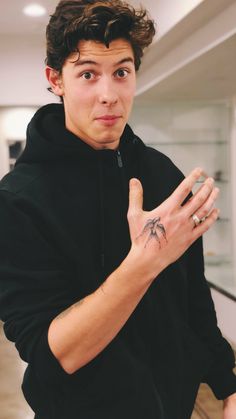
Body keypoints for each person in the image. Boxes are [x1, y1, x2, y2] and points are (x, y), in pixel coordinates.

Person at [0, 1, 236, 418]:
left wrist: (228, 381)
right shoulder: (18, 200)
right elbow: (54, 354)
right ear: (56, 80)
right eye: (87, 74)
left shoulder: (162, 174)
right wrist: (143, 263)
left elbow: (194, 302)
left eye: (121, 73)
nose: (108, 95)